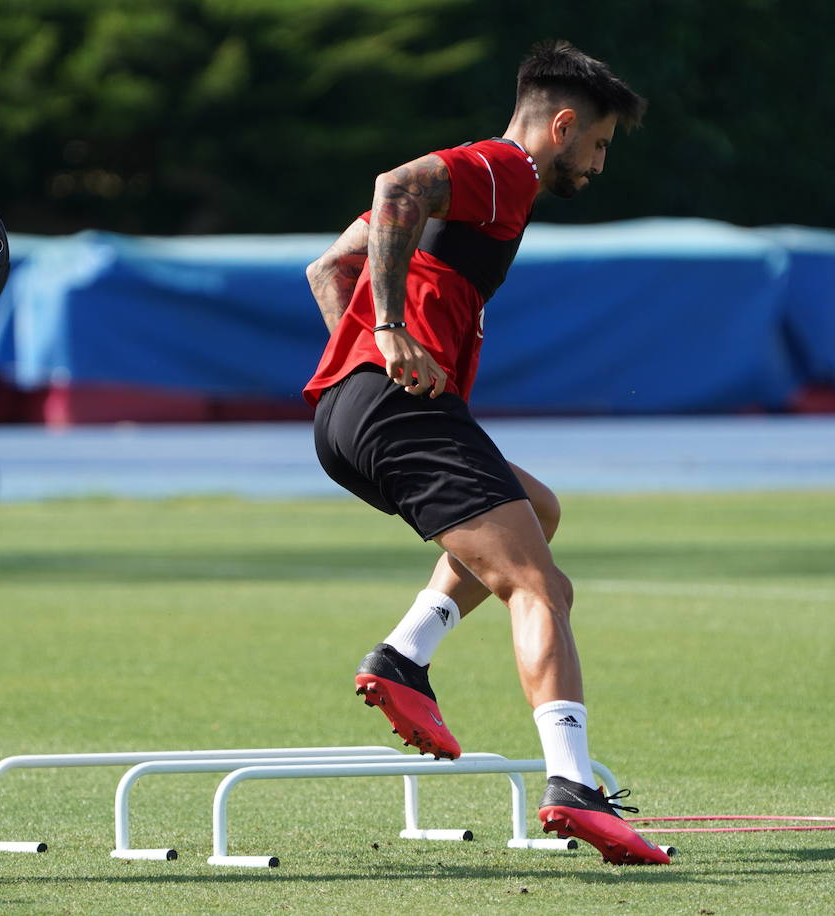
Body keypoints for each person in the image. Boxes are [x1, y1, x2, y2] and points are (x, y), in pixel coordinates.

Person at [303, 40, 669, 866]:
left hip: (353, 414)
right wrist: (389, 336)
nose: (601, 165)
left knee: (537, 508)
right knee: (542, 586)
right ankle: (573, 785)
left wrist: (360, 362)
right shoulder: (504, 169)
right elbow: (395, 187)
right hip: (396, 407)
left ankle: (403, 656)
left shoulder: (489, 188)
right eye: (601, 144)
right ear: (564, 125)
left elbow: (327, 268)